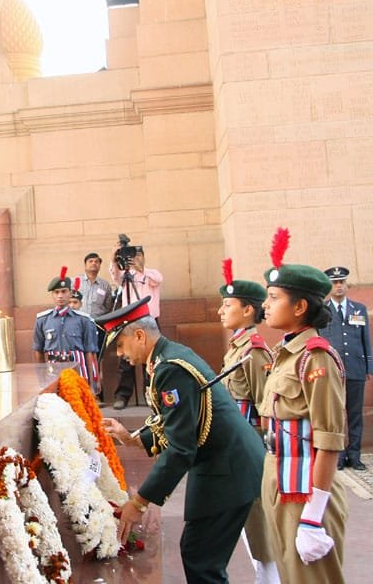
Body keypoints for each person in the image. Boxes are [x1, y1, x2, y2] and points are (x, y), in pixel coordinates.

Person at [100, 295, 265, 584]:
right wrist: (132, 438)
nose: (119, 354)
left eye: (120, 344)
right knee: (199, 554)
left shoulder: (170, 368)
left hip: (229, 469)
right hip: (223, 463)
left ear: (139, 335)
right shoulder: (166, 358)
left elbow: (180, 447)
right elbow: (179, 422)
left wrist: (138, 503)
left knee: (202, 559)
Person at [258, 228, 347, 583]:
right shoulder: (285, 352)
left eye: (274, 297)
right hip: (279, 478)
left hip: (307, 488)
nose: (265, 304)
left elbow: (328, 439)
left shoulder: (315, 358)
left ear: (299, 307)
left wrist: (314, 515)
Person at [217, 259, 279, 583]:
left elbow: (265, 405)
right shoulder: (235, 348)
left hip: (251, 444)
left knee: (256, 511)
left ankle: (270, 574)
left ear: (247, 311)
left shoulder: (253, 351)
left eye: (227, 305)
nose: (220, 311)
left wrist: (260, 452)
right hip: (236, 444)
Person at [319, 265, 371, 471]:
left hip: (356, 369)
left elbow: (365, 339)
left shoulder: (358, 309)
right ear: (329, 286)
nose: (339, 286)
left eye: (342, 282)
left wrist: (368, 365)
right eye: (334, 283)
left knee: (355, 414)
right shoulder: (323, 311)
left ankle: (355, 455)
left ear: (346, 285)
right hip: (333, 372)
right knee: (336, 415)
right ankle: (339, 456)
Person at [108, 238, 164, 410]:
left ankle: (151, 393)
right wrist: (114, 257)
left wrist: (141, 269)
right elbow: (114, 276)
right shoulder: (126, 276)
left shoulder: (152, 274)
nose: (135, 258)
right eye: (133, 256)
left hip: (149, 321)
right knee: (125, 359)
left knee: (152, 359)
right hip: (129, 321)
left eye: (138, 255)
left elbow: (157, 280)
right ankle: (122, 396)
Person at [33, 266, 100, 392]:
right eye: (56, 292)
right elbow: (38, 351)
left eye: (64, 291)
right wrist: (41, 380)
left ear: (70, 293)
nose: (60, 296)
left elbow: (89, 352)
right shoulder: (43, 320)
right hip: (53, 373)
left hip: (78, 372)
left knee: (78, 406)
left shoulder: (83, 320)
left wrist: (92, 384)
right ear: (52, 294)